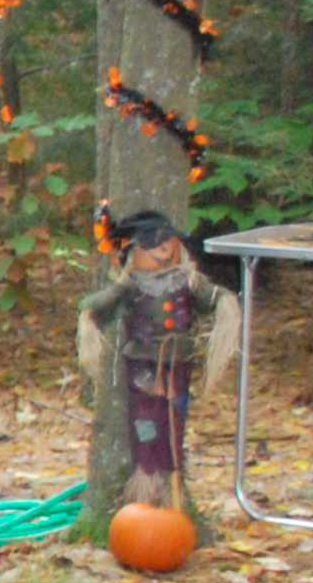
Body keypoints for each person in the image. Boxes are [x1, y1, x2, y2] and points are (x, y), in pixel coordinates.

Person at [77, 209, 233, 509]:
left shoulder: (188, 281)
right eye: (153, 243)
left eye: (168, 242)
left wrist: (226, 305)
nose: (163, 250)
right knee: (146, 416)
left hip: (179, 362)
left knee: (175, 414)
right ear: (134, 251)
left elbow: (212, 296)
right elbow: (99, 303)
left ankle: (172, 473)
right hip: (143, 363)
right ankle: (147, 474)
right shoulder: (132, 285)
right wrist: (92, 310)